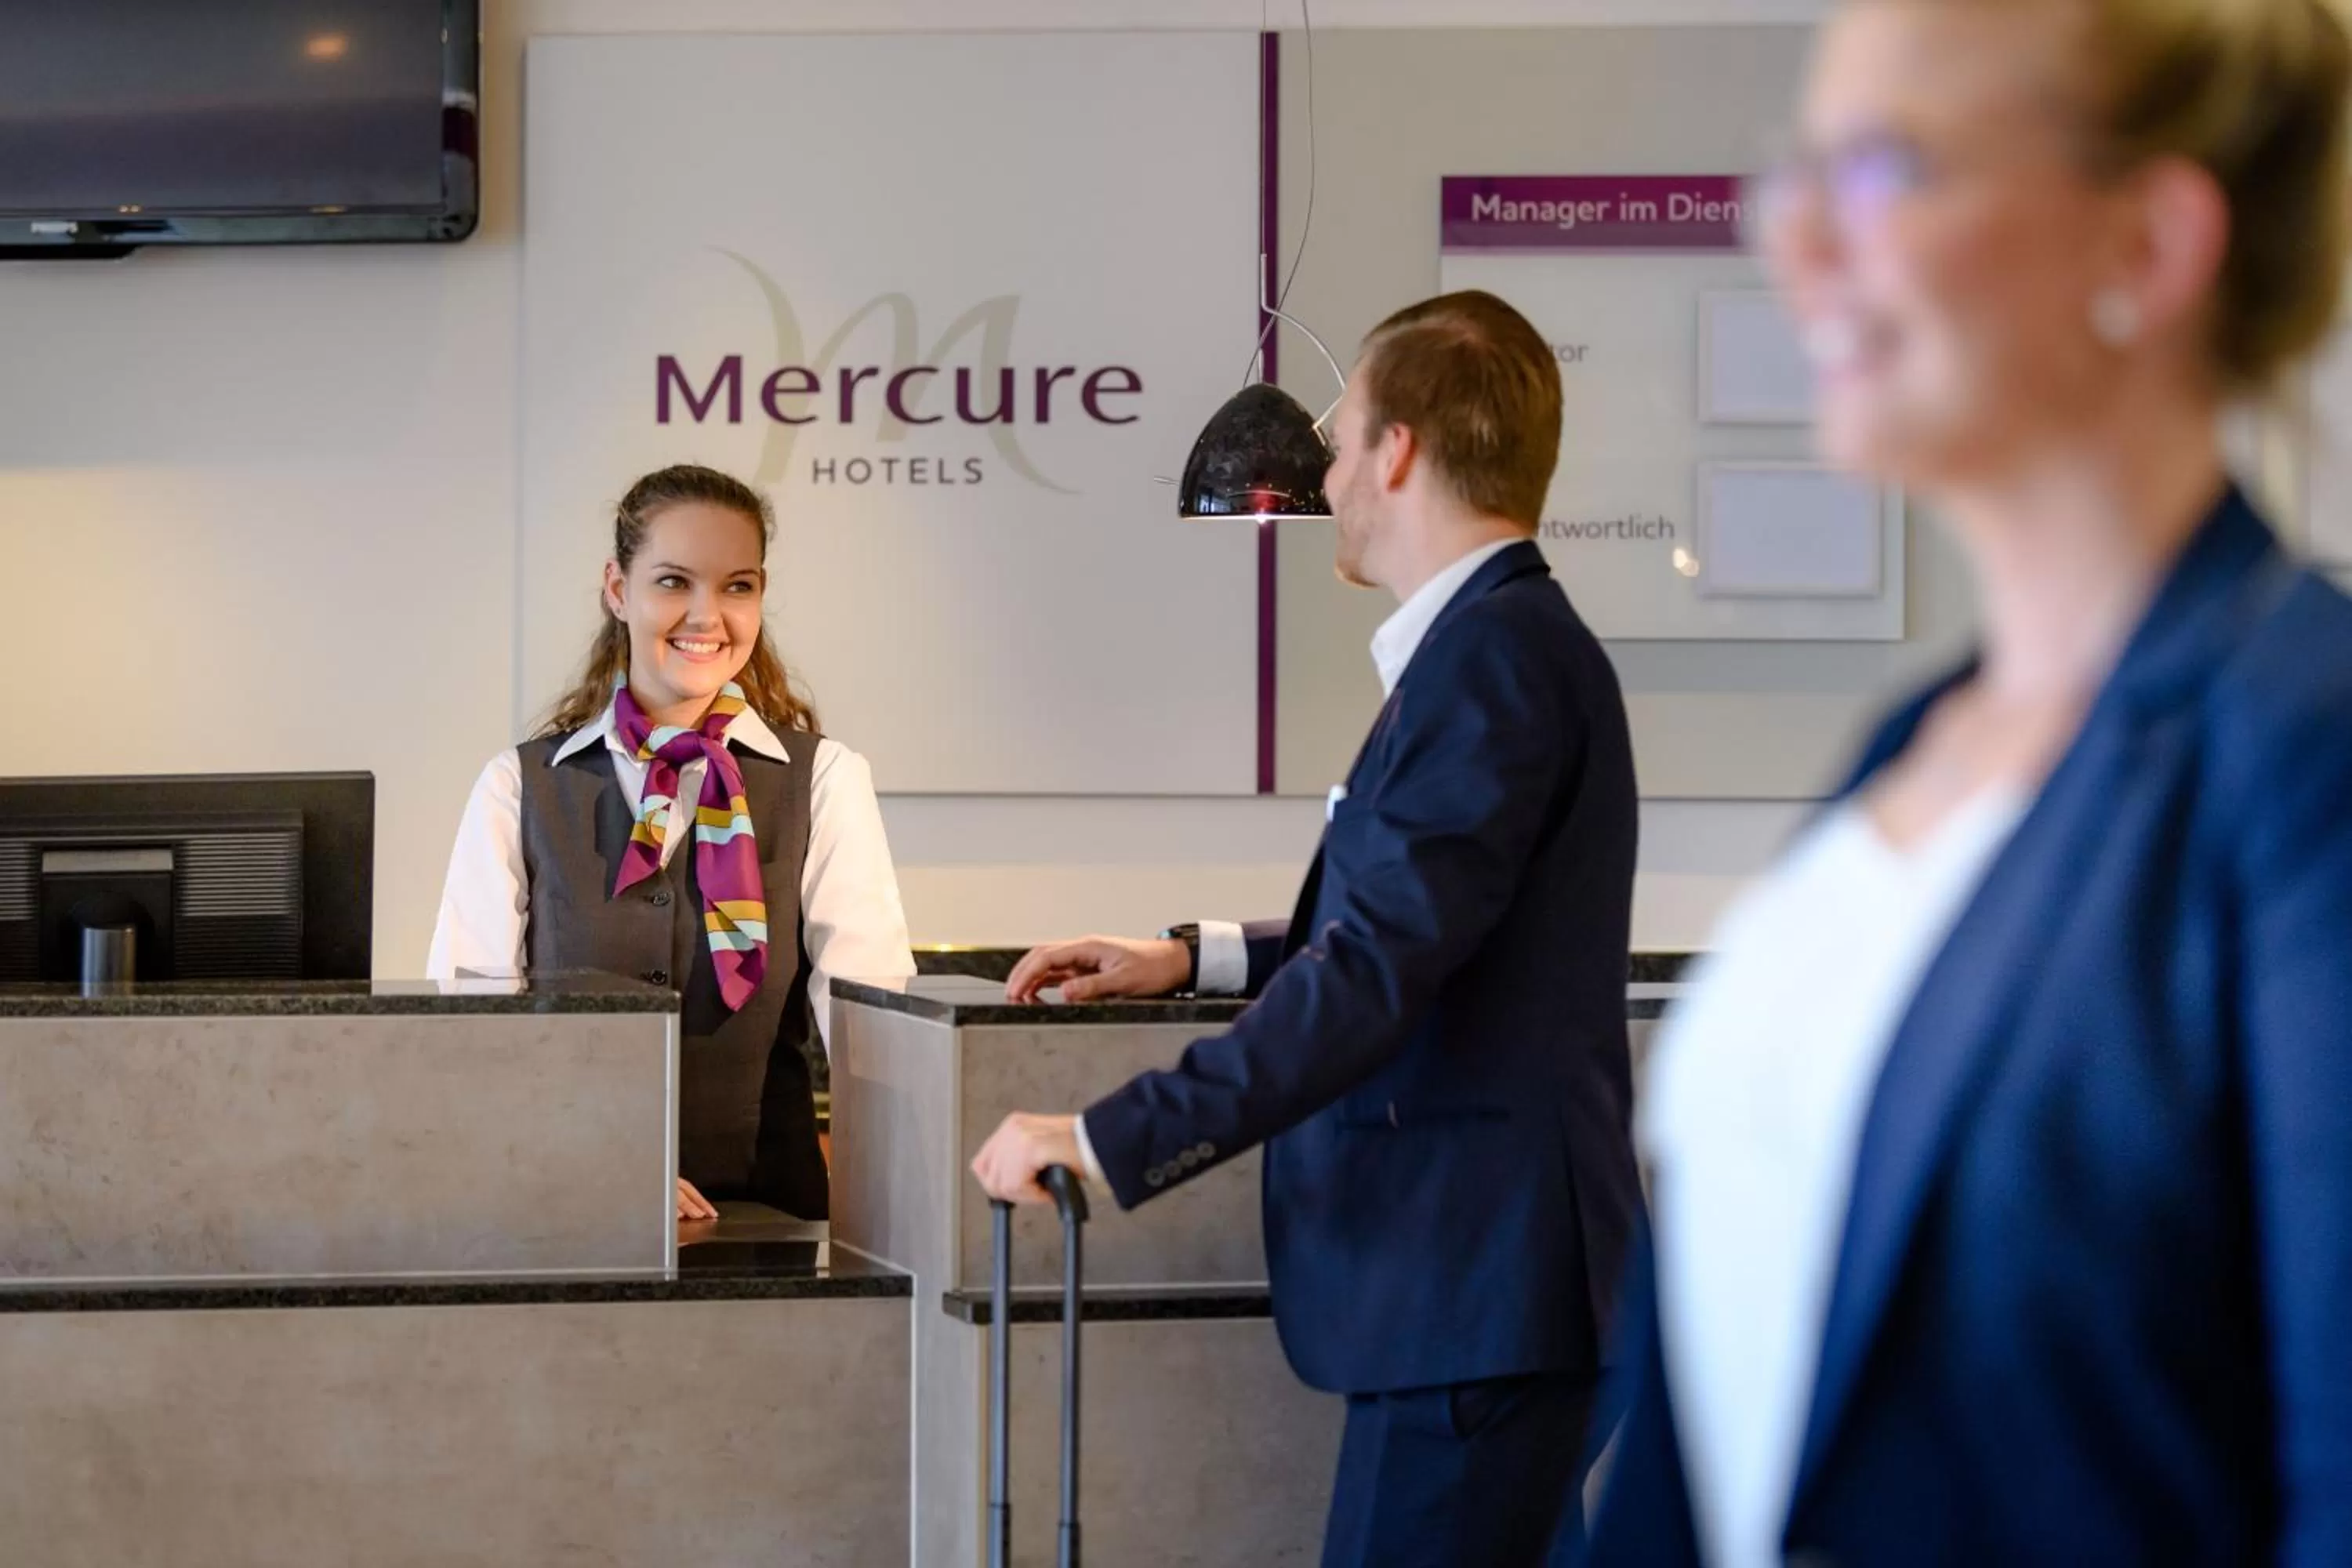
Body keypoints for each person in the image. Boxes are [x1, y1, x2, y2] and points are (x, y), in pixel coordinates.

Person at [1586, 2, 2352, 1564]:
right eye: (1793, 172)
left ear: (2145, 247)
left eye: (1884, 169)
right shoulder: (1905, 752)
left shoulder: (2303, 758)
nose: (1793, 239)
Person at [971, 290, 1644, 1566]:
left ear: (1397, 450)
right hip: (1491, 1295)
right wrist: (1190, 957)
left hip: (1477, 1294)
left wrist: (1109, 1137)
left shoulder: (1491, 659)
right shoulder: (1494, 648)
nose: (1325, 479)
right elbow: (1425, 928)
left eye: (1336, 444)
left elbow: (1378, 969)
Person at [429, 463, 914, 1222]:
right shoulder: (517, 786)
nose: (706, 615)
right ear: (618, 589)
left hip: (773, 1215)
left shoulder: (824, 780)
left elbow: (877, 1028)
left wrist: (900, 1208)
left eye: (737, 585)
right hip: (566, 1210)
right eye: (673, 581)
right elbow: (469, 1037)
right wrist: (606, 1164)